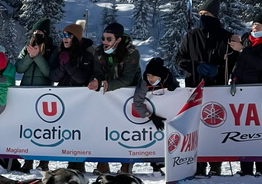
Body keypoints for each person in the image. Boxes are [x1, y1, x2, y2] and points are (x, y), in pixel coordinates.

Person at [176, 0, 234, 176]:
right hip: (194, 87)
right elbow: (179, 59)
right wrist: (196, 66)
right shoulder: (191, 36)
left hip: (217, 88)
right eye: (200, 14)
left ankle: (216, 164)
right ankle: (197, 163)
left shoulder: (226, 36)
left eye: (206, 14)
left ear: (215, 16)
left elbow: (234, 60)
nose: (202, 17)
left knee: (216, 126)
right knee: (196, 127)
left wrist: (219, 69)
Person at [230, 12, 262, 177]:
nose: (255, 27)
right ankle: (245, 168)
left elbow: (261, 64)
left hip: (260, 89)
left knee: (260, 129)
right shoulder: (246, 38)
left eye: (259, 25)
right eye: (253, 24)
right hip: (242, 88)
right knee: (244, 129)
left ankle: (260, 168)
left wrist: (243, 50)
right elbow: (240, 61)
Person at [88, 22, 141, 174]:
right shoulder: (99, 52)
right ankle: (102, 164)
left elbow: (128, 78)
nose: (104, 42)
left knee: (125, 131)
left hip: (127, 96)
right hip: (107, 96)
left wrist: (107, 84)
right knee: (102, 129)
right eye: (103, 38)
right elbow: (97, 72)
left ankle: (126, 165)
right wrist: (96, 81)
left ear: (118, 39)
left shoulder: (132, 53)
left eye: (109, 39)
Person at [50, 23, 94, 172]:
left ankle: (79, 164)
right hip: (62, 96)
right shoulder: (60, 52)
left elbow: (82, 78)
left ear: (76, 38)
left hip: (79, 98)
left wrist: (68, 64)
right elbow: (53, 76)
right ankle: (65, 160)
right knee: (61, 130)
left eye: (67, 35)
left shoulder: (86, 54)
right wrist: (62, 66)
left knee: (78, 132)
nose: (64, 39)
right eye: (63, 35)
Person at [16, 18, 56, 172]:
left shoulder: (52, 49)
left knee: (44, 129)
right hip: (27, 91)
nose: (36, 34)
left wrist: (38, 56)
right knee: (28, 127)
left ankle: (44, 161)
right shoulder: (27, 48)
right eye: (34, 32)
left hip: (44, 93)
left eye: (40, 32)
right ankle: (28, 160)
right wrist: (30, 56)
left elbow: (49, 72)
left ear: (46, 34)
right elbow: (19, 68)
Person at [133, 57, 179, 174]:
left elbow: (180, 97)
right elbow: (137, 103)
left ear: (160, 75)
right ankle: (156, 166)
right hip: (153, 117)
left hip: (170, 116)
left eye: (152, 76)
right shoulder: (144, 82)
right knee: (155, 138)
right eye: (148, 75)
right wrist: (151, 116)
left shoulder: (169, 77)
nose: (150, 79)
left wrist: (176, 89)